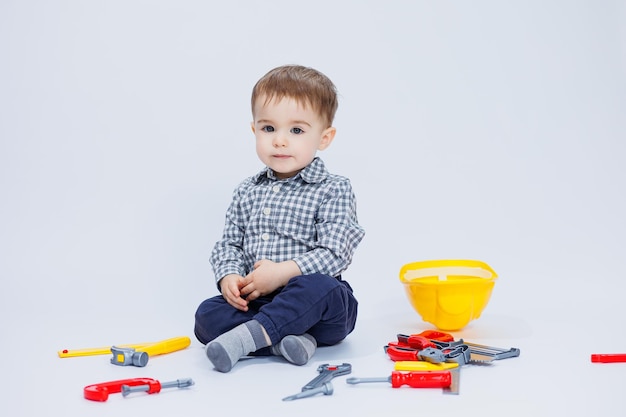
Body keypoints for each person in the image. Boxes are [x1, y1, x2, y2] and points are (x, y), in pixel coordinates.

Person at [194, 64, 365, 373]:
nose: (280, 140)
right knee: (206, 316)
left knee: (323, 289)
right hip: (260, 304)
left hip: (317, 307)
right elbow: (229, 244)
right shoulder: (247, 191)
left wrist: (283, 273)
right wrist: (229, 277)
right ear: (254, 129)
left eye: (296, 130)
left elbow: (335, 253)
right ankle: (285, 341)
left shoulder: (333, 188)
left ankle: (245, 341)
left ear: (324, 137)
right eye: (268, 128)